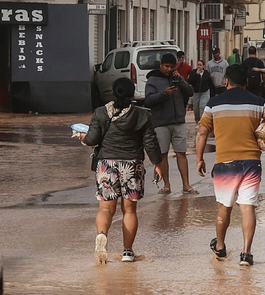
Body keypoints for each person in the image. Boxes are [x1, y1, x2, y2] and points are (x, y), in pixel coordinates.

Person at [195, 65, 265, 266]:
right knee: (247, 208)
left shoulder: (213, 104)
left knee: (224, 208)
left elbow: (202, 133)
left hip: (225, 164)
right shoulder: (259, 103)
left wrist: (199, 158)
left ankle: (220, 247)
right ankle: (246, 254)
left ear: (226, 82)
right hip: (251, 163)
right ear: (246, 82)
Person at [83, 77, 163, 264]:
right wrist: (158, 164)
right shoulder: (142, 115)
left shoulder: (101, 112)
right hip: (131, 165)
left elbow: (92, 139)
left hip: (106, 165)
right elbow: (150, 142)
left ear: (113, 92)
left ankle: (102, 236)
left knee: (105, 208)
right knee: (129, 211)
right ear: (132, 92)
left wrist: (82, 136)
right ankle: (127, 252)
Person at [144, 52, 197, 195]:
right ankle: (166, 185)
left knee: (181, 153)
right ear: (161, 65)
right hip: (161, 122)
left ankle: (186, 184)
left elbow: (190, 92)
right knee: (163, 154)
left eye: (172, 67)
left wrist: (180, 81)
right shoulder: (153, 80)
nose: (169, 69)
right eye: (166, 66)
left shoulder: (177, 78)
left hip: (178, 121)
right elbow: (148, 100)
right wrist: (164, 94)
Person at [188, 59, 215, 124]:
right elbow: (190, 81)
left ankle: (202, 122)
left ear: (203, 66)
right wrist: (197, 74)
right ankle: (197, 120)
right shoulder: (193, 72)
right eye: (198, 65)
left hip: (204, 92)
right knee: (196, 108)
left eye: (200, 65)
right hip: (196, 93)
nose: (199, 66)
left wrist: (213, 93)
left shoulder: (206, 73)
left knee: (202, 107)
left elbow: (210, 83)